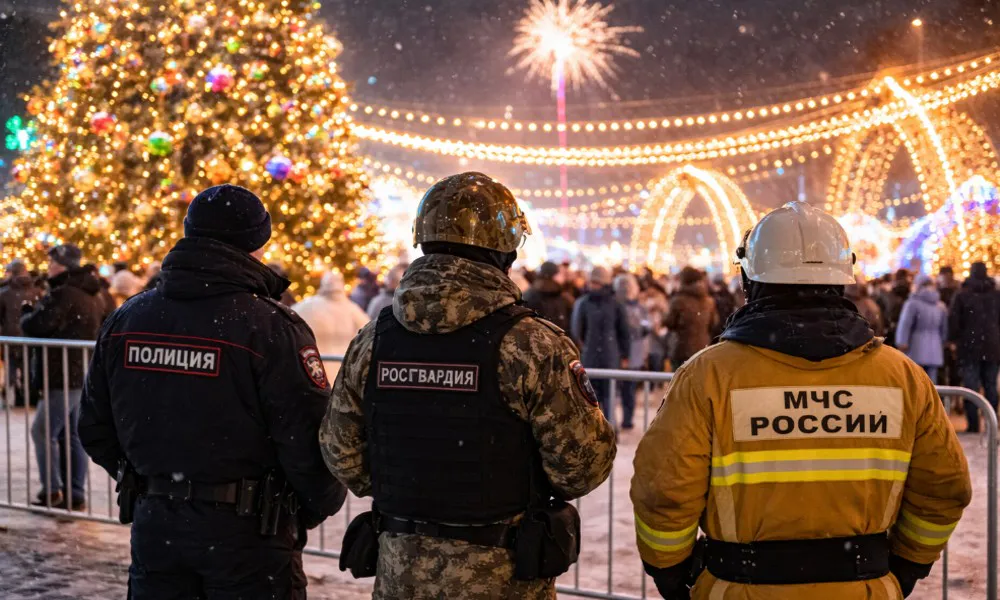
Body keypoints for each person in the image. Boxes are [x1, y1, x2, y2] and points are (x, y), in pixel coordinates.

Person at [630, 201, 972, 600]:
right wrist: (905, 565)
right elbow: (944, 488)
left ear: (750, 279)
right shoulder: (902, 377)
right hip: (865, 589)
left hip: (740, 588)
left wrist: (672, 571)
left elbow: (665, 491)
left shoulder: (709, 376)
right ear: (842, 277)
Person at [320, 172, 616, 600]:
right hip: (501, 575)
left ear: (423, 240)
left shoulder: (375, 339)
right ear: (506, 250)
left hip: (402, 572)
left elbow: (339, 452)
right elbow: (581, 465)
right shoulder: (531, 344)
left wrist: (411, 490)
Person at [78, 184, 347, 599]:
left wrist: (150, 482)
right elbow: (309, 442)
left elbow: (95, 427)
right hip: (249, 534)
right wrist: (305, 508)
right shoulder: (269, 326)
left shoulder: (130, 317)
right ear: (256, 244)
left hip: (158, 528)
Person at [21, 245, 108, 510]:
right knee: (71, 434)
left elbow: (37, 325)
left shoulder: (65, 293)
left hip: (61, 373)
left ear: (64, 266)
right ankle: (75, 493)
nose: (49, 266)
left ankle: (52, 490)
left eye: (53, 262)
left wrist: (27, 312)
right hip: (79, 371)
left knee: (42, 431)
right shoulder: (90, 293)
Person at [571, 266, 631, 421]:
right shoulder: (586, 303)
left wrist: (625, 355)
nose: (593, 285)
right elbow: (577, 331)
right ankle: (598, 433)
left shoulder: (613, 303)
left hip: (606, 356)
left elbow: (623, 331)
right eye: (592, 282)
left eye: (596, 282)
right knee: (594, 398)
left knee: (606, 397)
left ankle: (609, 431)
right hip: (595, 355)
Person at [948, 261, 1000, 433]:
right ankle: (992, 425)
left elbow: (954, 321)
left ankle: (973, 425)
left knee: (971, 387)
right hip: (993, 347)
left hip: (969, 347)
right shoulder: (996, 295)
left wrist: (954, 341)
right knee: (991, 385)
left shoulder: (963, 295)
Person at [292, 270, 370, 381]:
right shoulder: (353, 310)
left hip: (314, 368)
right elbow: (369, 336)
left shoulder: (307, 306)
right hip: (344, 371)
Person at [0, 260, 42, 407]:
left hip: (11, 337)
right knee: (28, 370)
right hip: (29, 337)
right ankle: (26, 397)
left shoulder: (4, 293)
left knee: (11, 370)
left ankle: (10, 397)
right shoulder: (36, 292)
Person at [664, 267, 718, 370]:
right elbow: (713, 323)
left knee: (679, 381)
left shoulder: (678, 300)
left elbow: (669, 323)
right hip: (702, 348)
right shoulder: (709, 301)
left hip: (681, 349)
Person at [613, 273, 649, 430]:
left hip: (619, 353)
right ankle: (627, 420)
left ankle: (615, 420)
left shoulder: (615, 306)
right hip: (633, 354)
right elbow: (644, 329)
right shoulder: (638, 308)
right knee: (628, 390)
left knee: (616, 390)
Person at [896, 275, 948, 383]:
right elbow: (944, 329)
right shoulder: (940, 305)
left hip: (916, 346)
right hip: (935, 347)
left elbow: (905, 324)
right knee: (932, 383)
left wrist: (902, 342)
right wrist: (942, 342)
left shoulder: (912, 303)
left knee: (914, 381)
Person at [522, 261, 575, 332]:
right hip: (551, 338)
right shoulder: (556, 294)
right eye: (560, 273)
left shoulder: (530, 293)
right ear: (553, 275)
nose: (563, 276)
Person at [877, 268, 911, 347]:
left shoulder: (888, 294)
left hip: (892, 328)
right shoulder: (911, 294)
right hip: (905, 332)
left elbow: (882, 311)